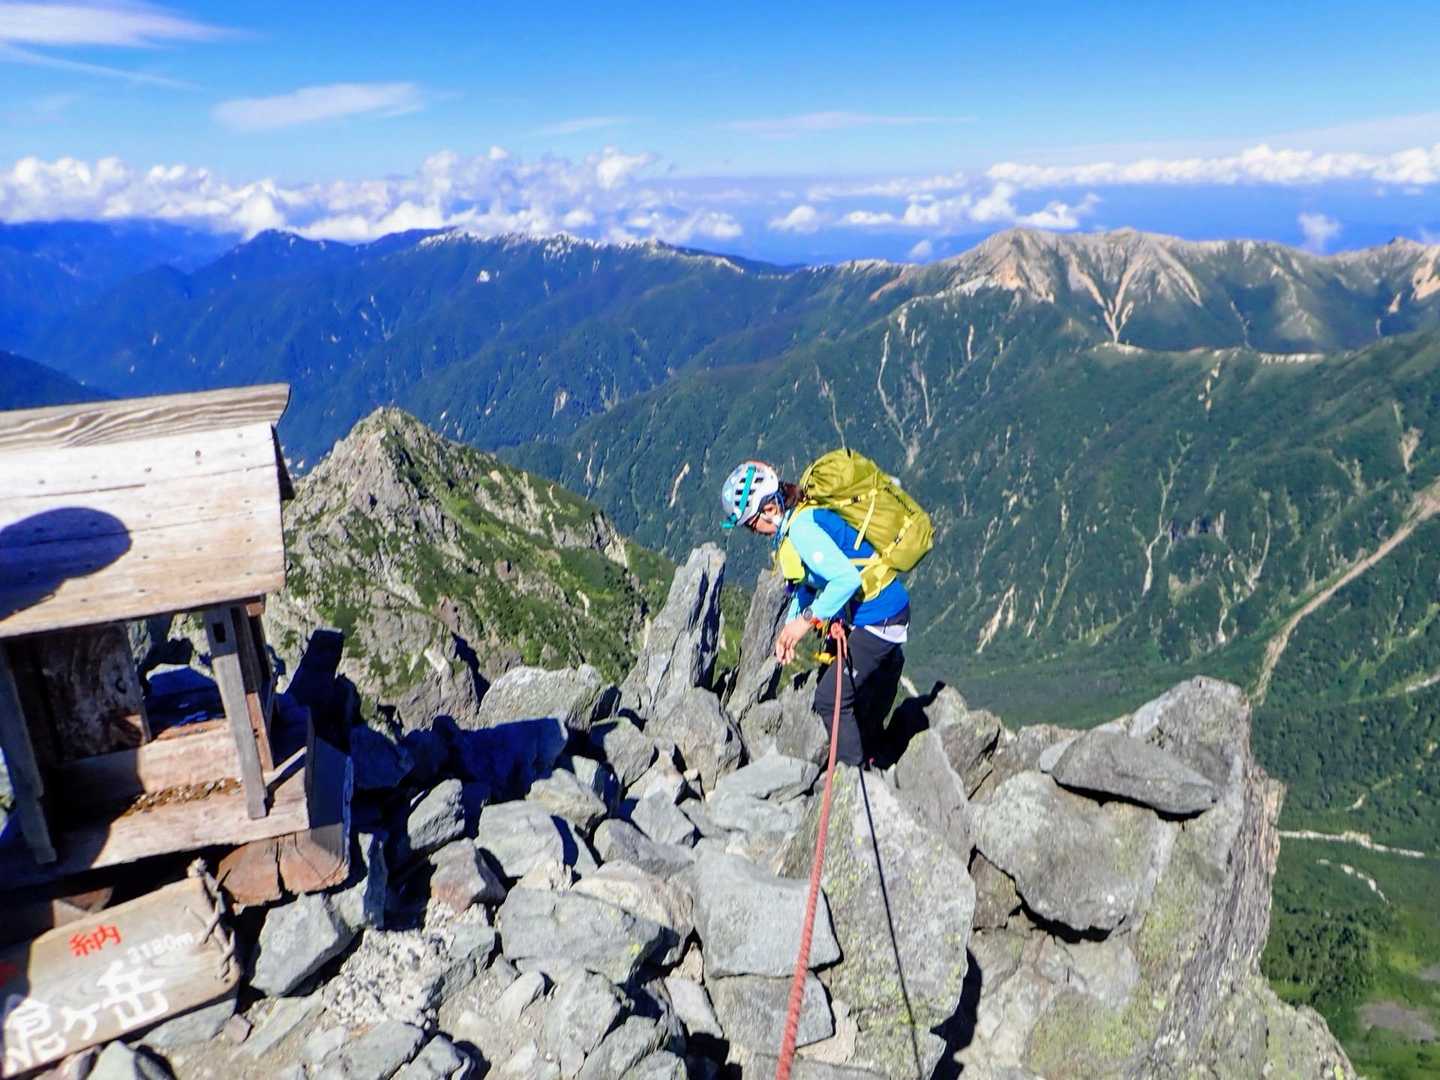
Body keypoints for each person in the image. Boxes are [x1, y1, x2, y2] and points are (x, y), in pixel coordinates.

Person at [721, 460, 910, 767]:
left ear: (769, 509)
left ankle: (853, 777)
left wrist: (804, 623)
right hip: (874, 610)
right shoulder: (798, 518)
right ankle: (870, 748)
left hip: (880, 617)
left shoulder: (802, 530)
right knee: (849, 693)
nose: (753, 532)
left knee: (829, 700)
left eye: (751, 524)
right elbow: (808, 584)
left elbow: (846, 579)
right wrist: (790, 627)